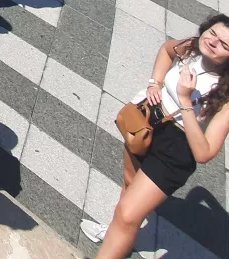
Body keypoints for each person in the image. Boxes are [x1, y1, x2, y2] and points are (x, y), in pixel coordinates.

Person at [79, 15, 229, 257]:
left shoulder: (225, 92)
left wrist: (184, 100)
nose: (213, 42)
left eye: (224, 44)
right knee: (129, 190)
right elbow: (166, 50)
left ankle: (118, 236)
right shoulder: (191, 46)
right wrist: (154, 83)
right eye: (212, 33)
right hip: (147, 124)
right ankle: (118, 237)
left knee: (127, 214)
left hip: (177, 149)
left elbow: (205, 152)